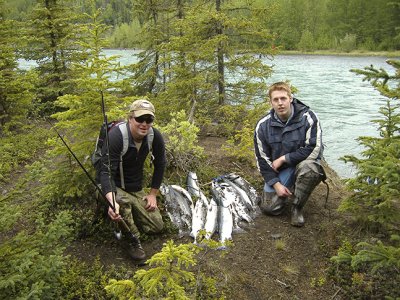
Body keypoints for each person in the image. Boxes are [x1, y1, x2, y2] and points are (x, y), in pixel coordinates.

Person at [99, 99, 166, 260]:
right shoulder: (116, 136)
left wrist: (152, 194)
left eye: (149, 120)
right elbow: (105, 173)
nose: (144, 124)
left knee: (156, 226)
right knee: (120, 202)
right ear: (130, 118)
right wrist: (112, 199)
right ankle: (132, 240)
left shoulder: (154, 136)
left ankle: (124, 214)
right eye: (139, 119)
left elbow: (161, 164)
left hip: (134, 188)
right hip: (110, 186)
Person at [254, 82, 325, 227]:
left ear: (290, 98)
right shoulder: (262, 125)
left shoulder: (309, 117)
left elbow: (313, 148)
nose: (280, 103)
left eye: (283, 98)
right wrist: (276, 184)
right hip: (281, 170)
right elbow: (262, 159)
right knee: (270, 208)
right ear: (271, 102)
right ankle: (286, 187)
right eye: (276, 100)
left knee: (310, 170)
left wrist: (284, 158)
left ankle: (297, 207)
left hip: (304, 163)